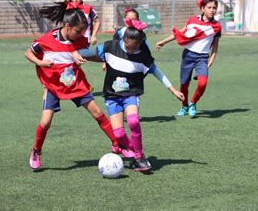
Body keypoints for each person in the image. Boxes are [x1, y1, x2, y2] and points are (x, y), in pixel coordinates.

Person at [25, 3, 133, 171]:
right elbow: (28, 53)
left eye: (83, 31)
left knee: (98, 112)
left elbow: (88, 56)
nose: (81, 34)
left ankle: (118, 144)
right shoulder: (46, 40)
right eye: (78, 31)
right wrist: (41, 62)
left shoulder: (81, 40)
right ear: (67, 26)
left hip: (76, 84)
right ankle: (36, 151)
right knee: (45, 123)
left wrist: (106, 60)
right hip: (53, 86)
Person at [79, 20, 184, 171]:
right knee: (119, 133)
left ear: (141, 43)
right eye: (128, 47)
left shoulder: (143, 56)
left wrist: (173, 89)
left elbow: (157, 72)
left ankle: (139, 157)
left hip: (131, 94)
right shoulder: (110, 47)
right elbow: (90, 53)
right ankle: (136, 154)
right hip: (112, 96)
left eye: (135, 47)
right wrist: (73, 53)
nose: (131, 50)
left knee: (133, 121)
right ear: (123, 40)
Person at [155, 0, 222, 118]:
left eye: (214, 8)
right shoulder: (192, 20)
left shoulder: (217, 26)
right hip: (188, 56)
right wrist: (163, 42)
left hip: (202, 58)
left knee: (202, 83)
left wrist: (211, 59)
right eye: (209, 7)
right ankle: (184, 106)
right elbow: (180, 33)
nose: (212, 10)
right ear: (202, 8)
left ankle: (192, 103)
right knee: (184, 84)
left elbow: (216, 44)